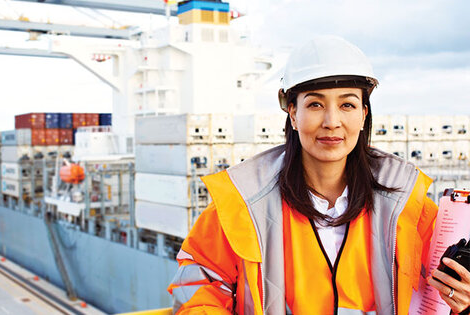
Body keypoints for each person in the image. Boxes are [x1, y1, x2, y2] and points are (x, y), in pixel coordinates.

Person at [167, 36, 470, 314]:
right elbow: (197, 286)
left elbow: (445, 296)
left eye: (347, 104)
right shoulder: (241, 202)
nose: (332, 121)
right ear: (293, 114)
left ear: (364, 115)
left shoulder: (406, 206)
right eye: (315, 104)